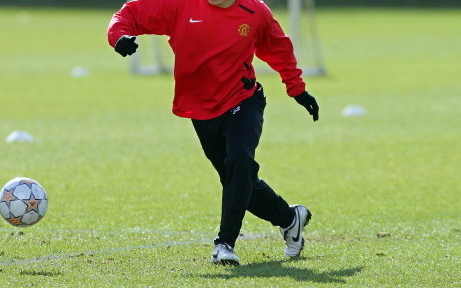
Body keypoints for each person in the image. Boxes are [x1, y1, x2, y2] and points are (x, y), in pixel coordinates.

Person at [107, 0, 319, 265]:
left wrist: (297, 89)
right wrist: (118, 37)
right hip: (201, 109)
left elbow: (279, 49)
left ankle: (224, 244)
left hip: (244, 99)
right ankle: (290, 219)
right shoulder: (180, 5)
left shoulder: (256, 11)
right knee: (238, 180)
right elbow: (129, 13)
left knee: (240, 161)